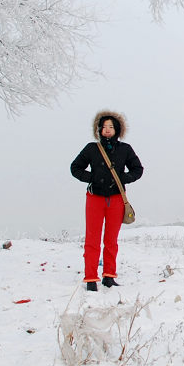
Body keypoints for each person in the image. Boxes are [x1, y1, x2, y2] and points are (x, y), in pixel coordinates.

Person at [70, 110, 144, 291]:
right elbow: (75, 167)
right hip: (95, 198)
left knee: (111, 240)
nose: (107, 130)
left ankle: (109, 276)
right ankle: (90, 279)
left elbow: (138, 169)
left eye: (111, 127)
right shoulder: (91, 148)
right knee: (92, 239)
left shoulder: (125, 149)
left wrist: (123, 178)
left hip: (117, 199)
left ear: (118, 129)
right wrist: (91, 178)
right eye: (104, 127)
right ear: (99, 130)